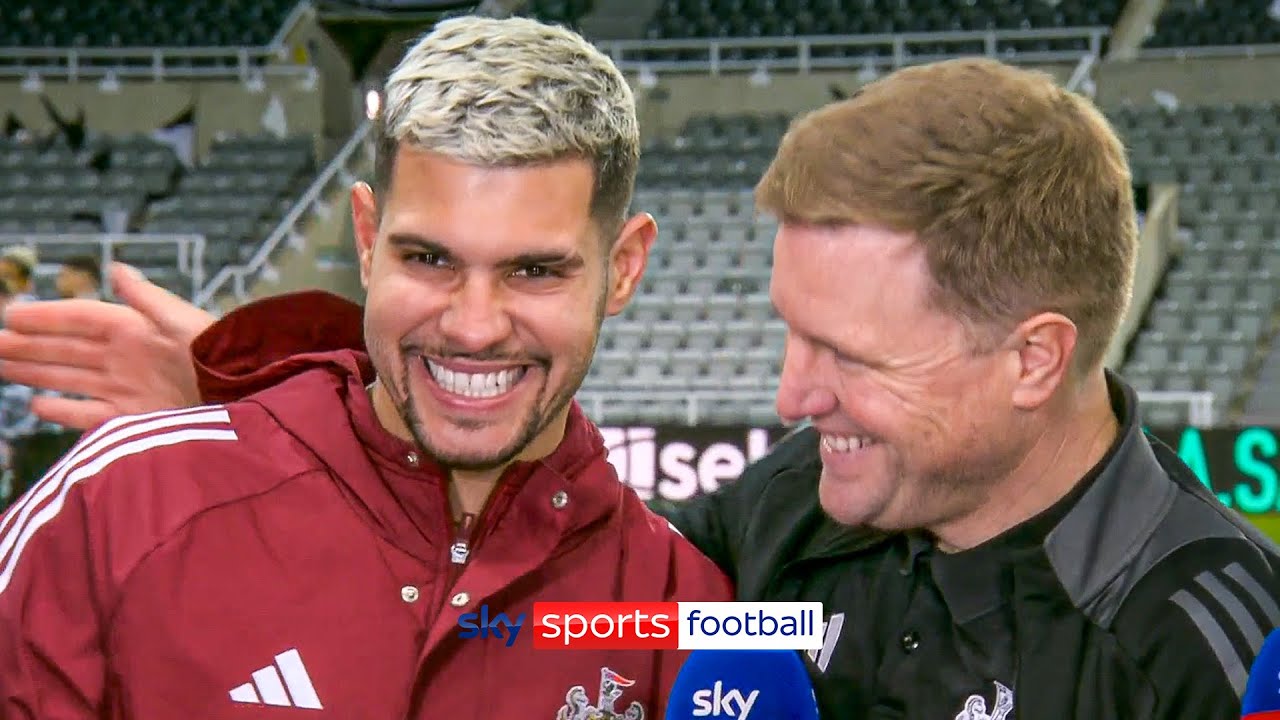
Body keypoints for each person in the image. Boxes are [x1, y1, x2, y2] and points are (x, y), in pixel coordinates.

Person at [3, 58, 1277, 719]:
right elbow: (554, 605)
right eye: (791, 335)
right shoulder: (801, 512)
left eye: (848, 357)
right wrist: (294, 406)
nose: (792, 396)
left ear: (1032, 359)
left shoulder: (1205, 648)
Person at [0, 16, 731, 719]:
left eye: (535, 270)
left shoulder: (681, 610)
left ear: (624, 267)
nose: (473, 327)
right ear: (367, 238)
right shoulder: (118, 507)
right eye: (430, 258)